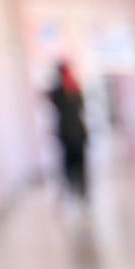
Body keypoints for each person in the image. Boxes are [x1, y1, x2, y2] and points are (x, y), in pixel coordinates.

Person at [47, 60, 89, 202]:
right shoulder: (75, 87)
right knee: (81, 163)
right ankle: (82, 191)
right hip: (78, 130)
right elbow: (82, 107)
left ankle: (72, 190)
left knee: (69, 163)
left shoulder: (57, 91)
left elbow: (52, 103)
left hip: (66, 132)